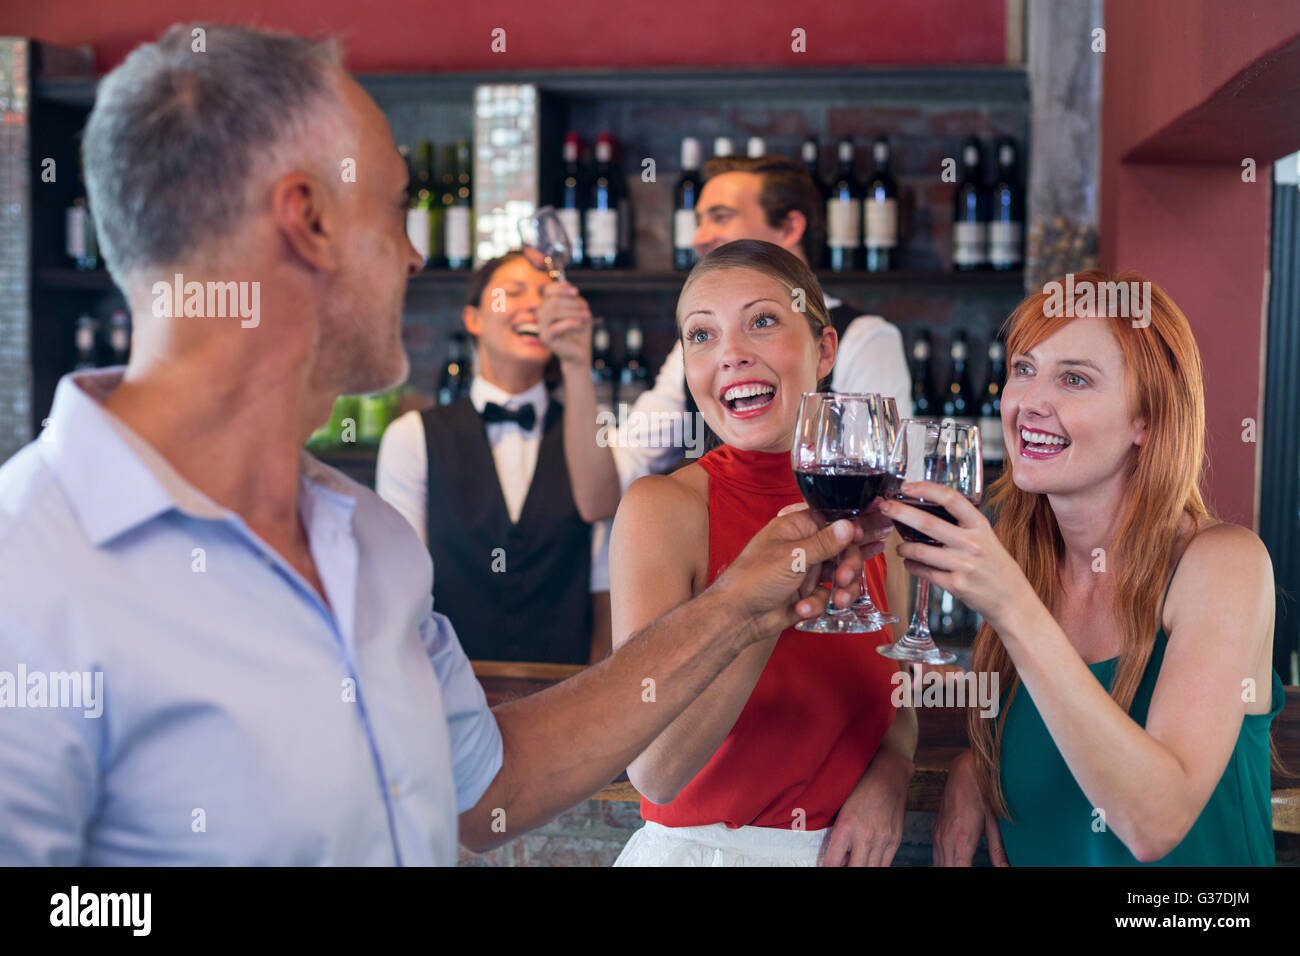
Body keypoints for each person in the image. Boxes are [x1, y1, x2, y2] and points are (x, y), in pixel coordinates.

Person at [0, 23, 884, 866]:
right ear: (306, 221)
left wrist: (745, 609)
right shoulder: (26, 569)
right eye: (395, 209)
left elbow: (488, 788)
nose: (418, 256)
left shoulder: (368, 538)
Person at [888, 270, 1286, 866]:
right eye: (1024, 369)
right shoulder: (1030, 563)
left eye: (1074, 378)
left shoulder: (1223, 564)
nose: (1029, 403)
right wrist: (978, 764)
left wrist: (1010, 605)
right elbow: (1063, 730)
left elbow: (1155, 822)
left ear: (1145, 422)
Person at [610, 240, 917, 867]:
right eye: (701, 335)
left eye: (762, 321)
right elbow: (654, 770)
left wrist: (893, 770)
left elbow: (900, 687)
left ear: (824, 350)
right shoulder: (663, 510)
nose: (730, 353)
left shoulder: (880, 514)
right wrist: (763, 609)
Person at [608, 154, 913, 486]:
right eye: (698, 221)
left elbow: (887, 490)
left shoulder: (863, 337)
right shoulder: (703, 350)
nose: (699, 238)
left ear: (788, 228)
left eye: (720, 217)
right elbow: (621, 470)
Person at [376, 251, 617, 664]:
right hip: (450, 693)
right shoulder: (411, 438)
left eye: (546, 295)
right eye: (513, 293)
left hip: (567, 694)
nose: (533, 305)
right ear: (473, 319)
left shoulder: (595, 441)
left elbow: (606, 596)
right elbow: (401, 592)